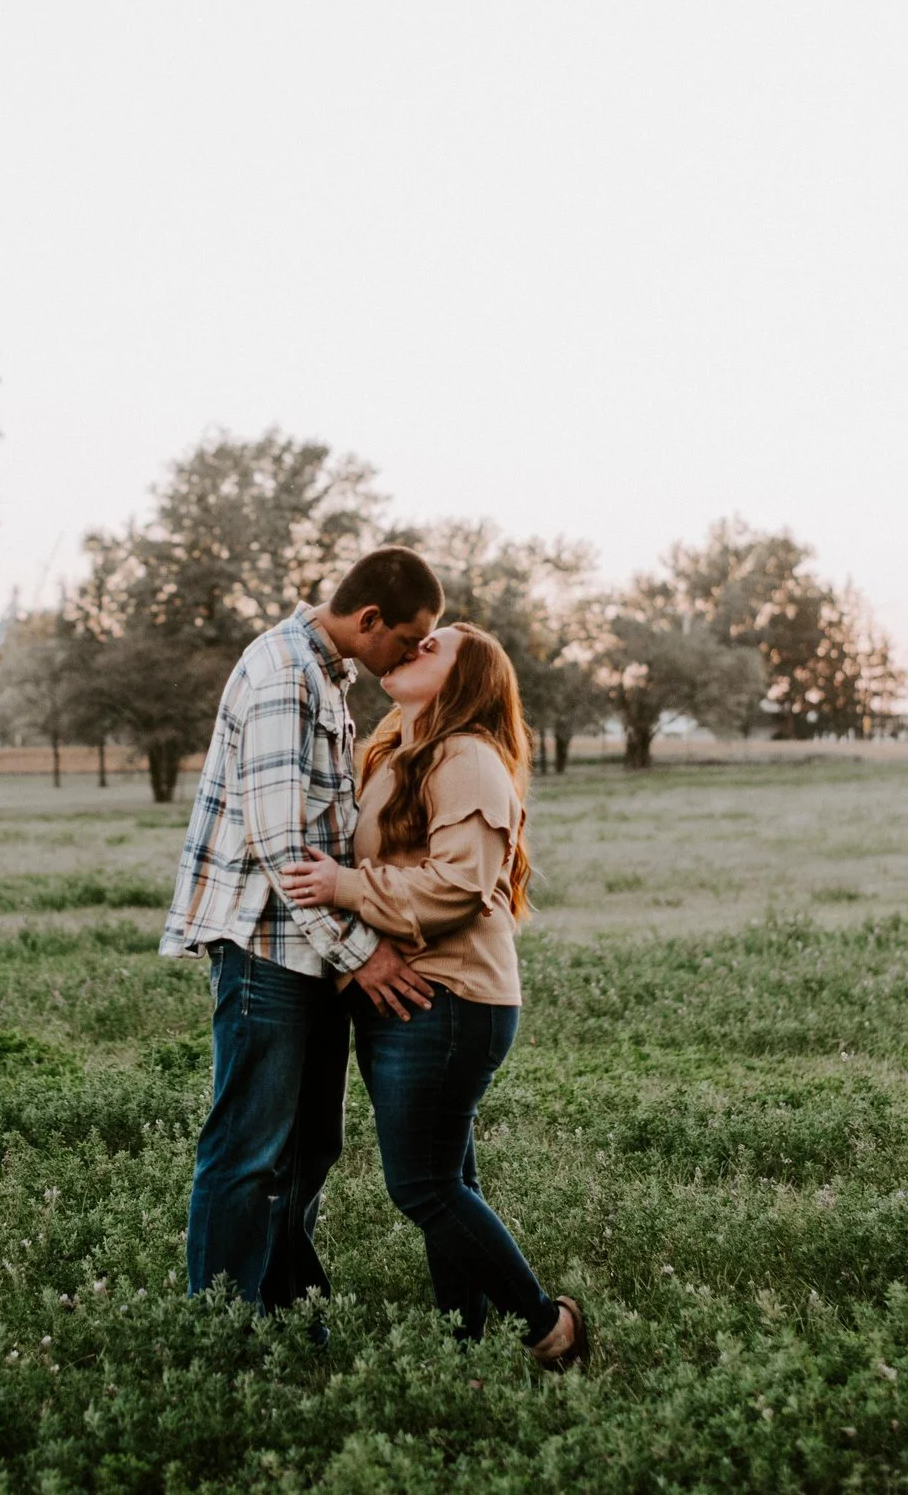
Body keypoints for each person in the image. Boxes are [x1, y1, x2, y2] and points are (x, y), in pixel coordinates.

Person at [280, 623, 589, 1370]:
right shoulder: (397, 747)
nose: (415, 646)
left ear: (467, 679)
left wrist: (343, 885)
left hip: (452, 1001)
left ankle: (551, 1328)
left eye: (435, 646)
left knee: (420, 1184)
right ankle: (465, 1349)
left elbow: (455, 885)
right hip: (407, 999)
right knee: (448, 1178)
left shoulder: (470, 758)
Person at [162, 546, 445, 1315]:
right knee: (249, 1150)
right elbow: (280, 843)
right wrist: (365, 955)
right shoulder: (285, 672)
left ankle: (287, 1311)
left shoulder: (326, 672)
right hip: (265, 949)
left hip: (308, 949)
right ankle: (225, 1326)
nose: (414, 653)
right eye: (410, 637)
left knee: (310, 1145)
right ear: (368, 619)